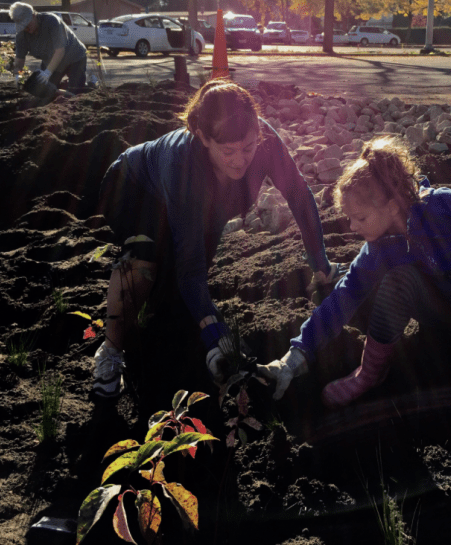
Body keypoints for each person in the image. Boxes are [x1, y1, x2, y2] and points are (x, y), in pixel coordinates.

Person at [258, 136, 451, 462]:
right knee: (398, 281)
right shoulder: (379, 248)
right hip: (443, 318)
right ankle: (370, 374)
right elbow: (343, 296)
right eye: (350, 218)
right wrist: (296, 354)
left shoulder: (445, 205)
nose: (352, 226)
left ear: (392, 205)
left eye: (360, 218)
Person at [93, 78, 342, 399]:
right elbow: (192, 269)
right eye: (229, 151)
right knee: (146, 260)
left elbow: (298, 194)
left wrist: (319, 261)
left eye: (248, 147)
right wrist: (215, 334)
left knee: (178, 302)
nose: (241, 159)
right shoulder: (181, 163)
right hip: (132, 189)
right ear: (202, 136)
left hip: (197, 205)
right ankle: (111, 350)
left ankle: (156, 326)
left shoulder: (264, 140)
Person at [9, 2, 87, 93]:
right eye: (23, 27)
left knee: (76, 91)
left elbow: (60, 51)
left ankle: (90, 86)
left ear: (34, 15)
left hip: (74, 57)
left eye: (27, 24)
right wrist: (17, 72)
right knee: (44, 91)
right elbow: (20, 59)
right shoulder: (22, 35)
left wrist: (47, 73)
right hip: (52, 62)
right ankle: (62, 90)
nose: (26, 29)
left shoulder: (52, 21)